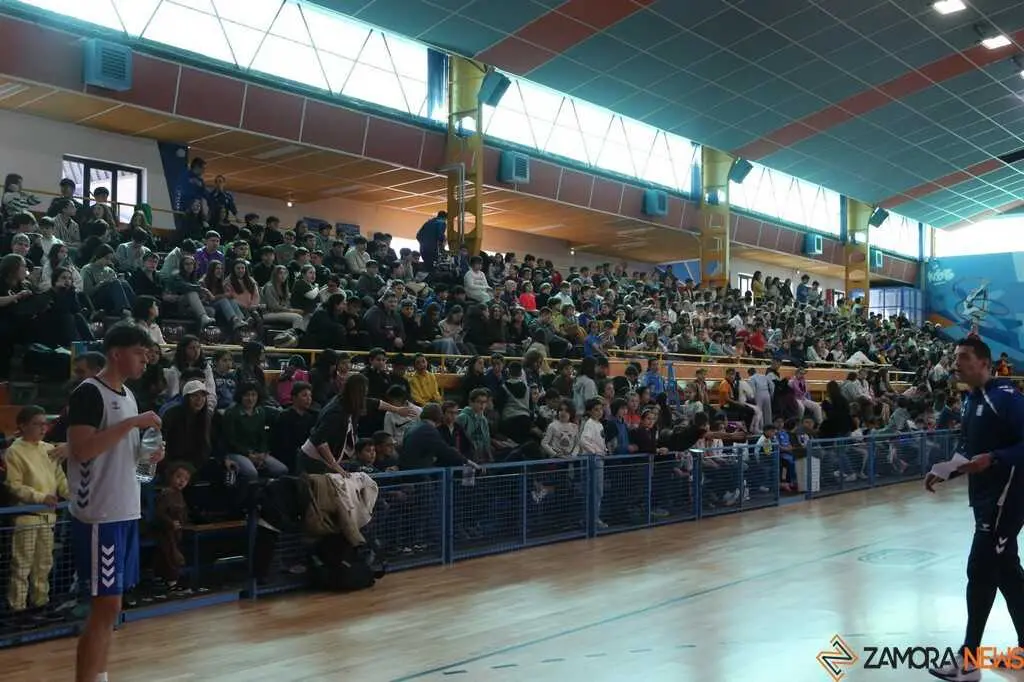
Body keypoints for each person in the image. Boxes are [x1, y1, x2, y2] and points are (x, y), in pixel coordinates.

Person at [67, 324, 164, 682]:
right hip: (99, 512)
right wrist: (132, 425)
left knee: (113, 607)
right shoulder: (89, 393)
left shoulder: (128, 396)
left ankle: (99, 676)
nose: (145, 359)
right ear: (116, 353)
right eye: (139, 352)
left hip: (125, 507)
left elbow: (126, 456)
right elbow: (83, 448)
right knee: (104, 605)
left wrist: (147, 456)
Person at [926, 337, 1024, 682]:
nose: (957, 364)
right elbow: (968, 449)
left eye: (964, 358)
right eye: (955, 358)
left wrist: (996, 459)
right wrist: (945, 470)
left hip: (1005, 499)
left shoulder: (1006, 399)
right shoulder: (971, 401)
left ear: (984, 363)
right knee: (1009, 573)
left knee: (979, 572)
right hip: (983, 499)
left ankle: (968, 661)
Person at [4, 405, 69, 624]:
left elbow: (59, 478)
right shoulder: (15, 451)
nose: (43, 428)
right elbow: (14, 485)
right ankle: (18, 609)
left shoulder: (48, 448)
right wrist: (41, 497)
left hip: (48, 516)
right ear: (22, 426)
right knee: (22, 564)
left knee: (44, 563)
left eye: (45, 423)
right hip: (27, 515)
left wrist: (73, 496)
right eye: (37, 424)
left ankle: (40, 603)